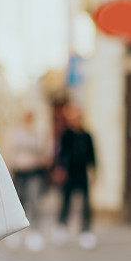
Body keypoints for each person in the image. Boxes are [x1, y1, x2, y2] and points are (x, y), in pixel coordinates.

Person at [52, 103, 97, 249]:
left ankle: (85, 231)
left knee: (85, 204)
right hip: (68, 173)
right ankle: (62, 227)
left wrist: (94, 171)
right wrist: (59, 168)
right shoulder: (66, 135)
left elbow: (92, 155)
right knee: (66, 201)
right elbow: (61, 154)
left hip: (82, 173)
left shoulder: (86, 135)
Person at [9, 109, 50, 251]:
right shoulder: (17, 132)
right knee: (20, 201)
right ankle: (17, 232)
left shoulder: (37, 133)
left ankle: (35, 232)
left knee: (34, 200)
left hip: (34, 171)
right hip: (20, 171)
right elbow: (12, 151)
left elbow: (43, 151)